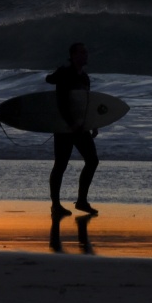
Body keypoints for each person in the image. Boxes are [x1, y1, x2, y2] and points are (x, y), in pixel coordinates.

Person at [45, 42, 100, 216]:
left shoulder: (85, 78)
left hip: (80, 127)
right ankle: (55, 205)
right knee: (60, 165)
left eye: (86, 52)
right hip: (64, 127)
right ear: (74, 55)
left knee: (92, 161)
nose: (86, 55)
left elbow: (85, 103)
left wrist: (92, 123)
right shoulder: (65, 74)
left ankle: (82, 201)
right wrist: (70, 123)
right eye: (82, 53)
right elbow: (61, 103)